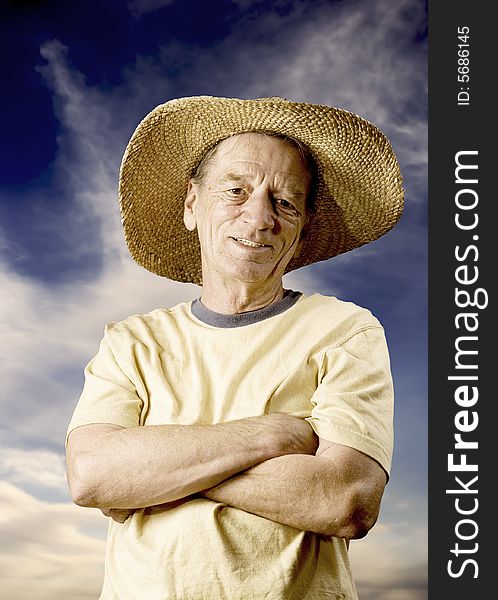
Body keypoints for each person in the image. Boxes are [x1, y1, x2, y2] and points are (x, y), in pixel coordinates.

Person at [65, 95, 404, 600]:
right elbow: (92, 475)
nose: (260, 216)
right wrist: (273, 436)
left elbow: (346, 500)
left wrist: (152, 474)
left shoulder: (345, 330)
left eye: (285, 202)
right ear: (191, 206)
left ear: (303, 226)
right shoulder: (131, 341)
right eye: (236, 191)